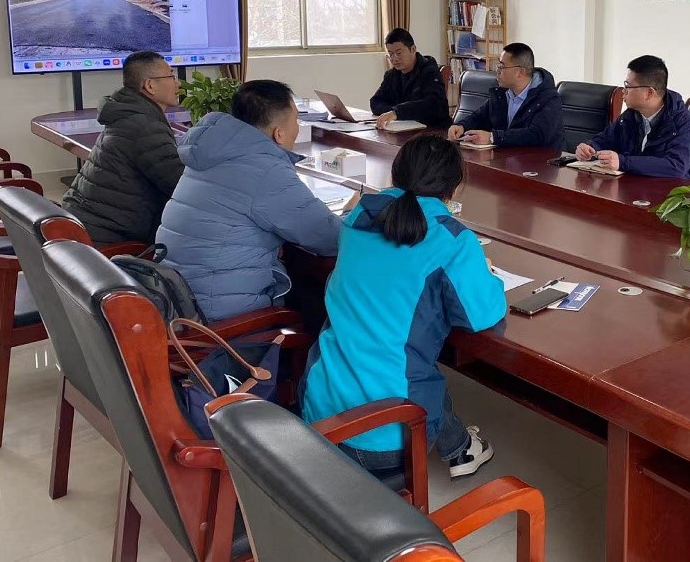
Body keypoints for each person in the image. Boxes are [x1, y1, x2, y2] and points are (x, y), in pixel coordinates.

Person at [302, 134, 505, 479]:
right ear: (454, 189)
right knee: (413, 367)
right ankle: (460, 449)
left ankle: (459, 446)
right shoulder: (453, 240)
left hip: (319, 410)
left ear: (395, 175)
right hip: (386, 439)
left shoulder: (358, 217)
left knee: (398, 355)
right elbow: (482, 315)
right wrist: (487, 275)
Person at [156, 79, 342, 322]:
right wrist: (354, 216)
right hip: (221, 317)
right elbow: (329, 237)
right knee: (325, 303)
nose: (297, 127)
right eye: (296, 120)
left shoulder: (211, 152)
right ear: (279, 133)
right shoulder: (267, 170)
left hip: (177, 303)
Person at [62, 51, 183, 244]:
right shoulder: (144, 127)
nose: (178, 84)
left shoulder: (127, 113)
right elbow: (181, 186)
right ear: (150, 86)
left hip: (84, 222)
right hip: (106, 238)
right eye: (171, 76)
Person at [575, 55, 690, 181]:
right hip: (638, 186)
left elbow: (676, 166)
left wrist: (622, 162)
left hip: (678, 191)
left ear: (649, 93)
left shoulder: (685, 123)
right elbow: (605, 140)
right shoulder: (630, 115)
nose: (624, 91)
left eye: (628, 86)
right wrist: (589, 148)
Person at [447, 42, 563, 149]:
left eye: (502, 67)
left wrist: (493, 137)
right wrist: (461, 126)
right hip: (509, 156)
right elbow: (480, 117)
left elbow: (537, 135)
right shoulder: (502, 93)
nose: (497, 71)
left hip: (542, 160)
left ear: (520, 72)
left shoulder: (548, 98)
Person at [370, 28, 450, 129]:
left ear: (413, 49)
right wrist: (394, 112)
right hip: (403, 128)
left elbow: (433, 104)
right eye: (391, 54)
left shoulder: (429, 71)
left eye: (399, 53)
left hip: (432, 129)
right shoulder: (391, 75)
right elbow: (375, 102)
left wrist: (397, 112)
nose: (394, 58)